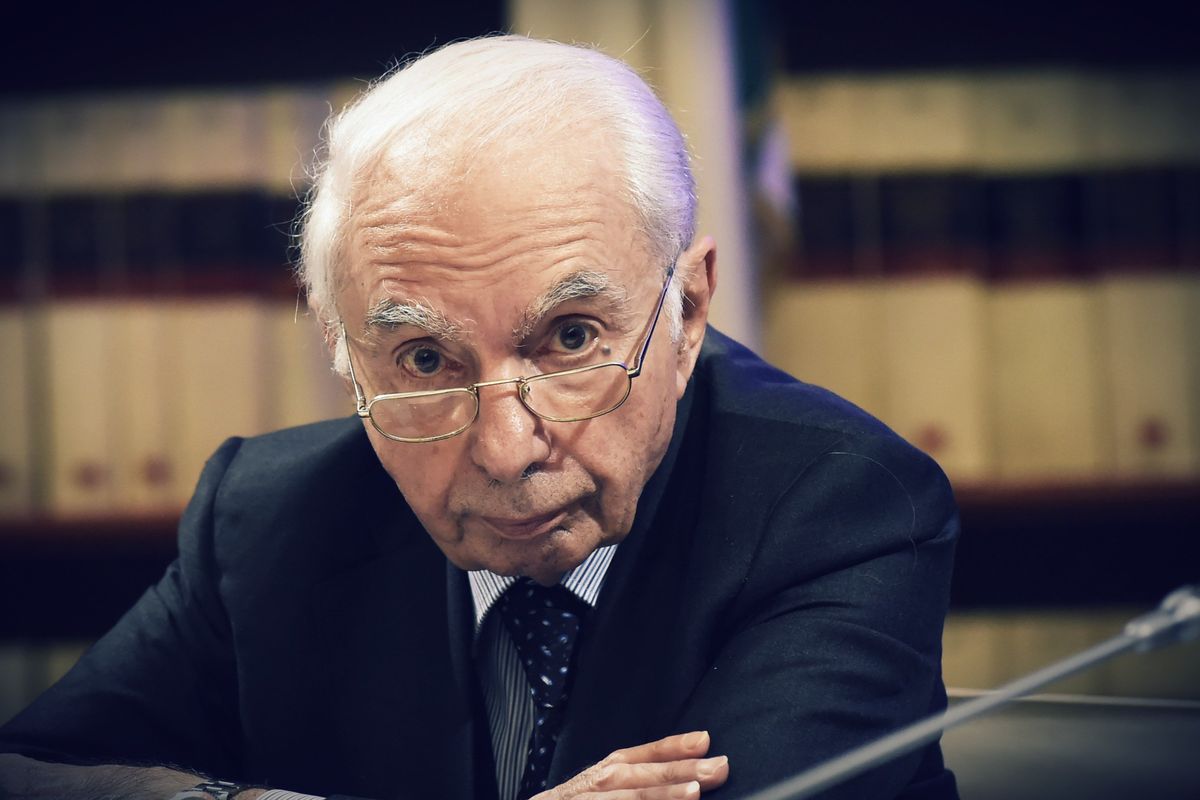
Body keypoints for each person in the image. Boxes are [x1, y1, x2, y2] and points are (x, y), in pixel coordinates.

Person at [0, 35, 959, 800]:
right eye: (425, 359)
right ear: (342, 349)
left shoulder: (844, 507)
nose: (505, 452)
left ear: (689, 309)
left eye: (571, 339)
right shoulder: (264, 518)